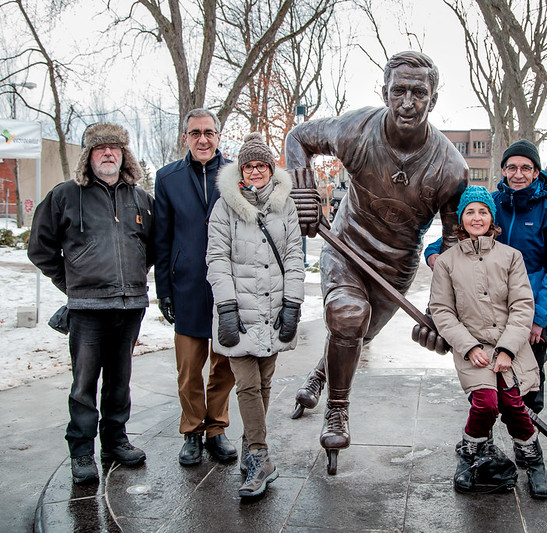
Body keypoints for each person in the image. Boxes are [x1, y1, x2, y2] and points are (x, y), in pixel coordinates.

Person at [285, 50, 468, 471]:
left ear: (433, 99)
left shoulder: (451, 169)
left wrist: (444, 313)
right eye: (399, 90)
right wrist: (303, 191)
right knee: (348, 315)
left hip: (395, 268)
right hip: (346, 245)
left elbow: (453, 251)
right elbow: (298, 138)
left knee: (356, 334)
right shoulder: (356, 129)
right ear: (384, 93)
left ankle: (319, 375)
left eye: (419, 92)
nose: (408, 101)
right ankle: (337, 409)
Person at [28, 123, 154, 484]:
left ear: (124, 154)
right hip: (86, 309)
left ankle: (115, 442)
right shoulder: (66, 195)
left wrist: (132, 276)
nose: (109, 153)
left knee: (120, 381)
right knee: (84, 385)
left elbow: (152, 246)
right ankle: (81, 450)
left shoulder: (141, 199)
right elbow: (40, 248)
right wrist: (72, 284)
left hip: (130, 306)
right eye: (101, 149)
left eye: (115, 148)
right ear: (89, 156)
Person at [424, 140, 547, 414]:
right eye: (512, 167)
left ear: (536, 172)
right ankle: (484, 440)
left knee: (526, 383)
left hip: (529, 314)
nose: (518, 174)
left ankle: (526, 438)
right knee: (484, 386)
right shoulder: (490, 204)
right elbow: (462, 233)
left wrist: (538, 318)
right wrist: (434, 253)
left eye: (526, 168)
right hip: (484, 312)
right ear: (503, 170)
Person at [429, 186, 547, 498]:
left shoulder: (511, 257)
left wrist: (508, 349)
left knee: (512, 404)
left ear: (492, 218)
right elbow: (442, 309)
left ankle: (532, 458)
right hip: (473, 347)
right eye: (470, 212)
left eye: (483, 211)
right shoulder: (446, 262)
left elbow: (522, 305)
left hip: (511, 345)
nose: (477, 217)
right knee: (486, 403)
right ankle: (470, 452)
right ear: (462, 220)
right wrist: (468, 347)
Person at [206, 132, 304, 498]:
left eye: (262, 165)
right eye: (249, 166)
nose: (256, 171)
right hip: (240, 309)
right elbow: (216, 259)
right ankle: (262, 457)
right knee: (246, 383)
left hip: (274, 308)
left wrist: (292, 304)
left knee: (263, 383)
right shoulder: (224, 207)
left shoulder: (286, 205)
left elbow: (295, 256)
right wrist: (227, 307)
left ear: (270, 168)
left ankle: (250, 452)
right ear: (241, 172)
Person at [154, 108, 238, 467]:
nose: (202, 139)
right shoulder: (167, 178)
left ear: (218, 136)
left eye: (209, 132)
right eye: (195, 133)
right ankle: (192, 430)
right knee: (189, 368)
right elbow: (161, 237)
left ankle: (216, 429)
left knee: (225, 365)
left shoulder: (236, 174)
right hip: (186, 285)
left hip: (227, 288)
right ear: (185, 137)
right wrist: (163, 289)